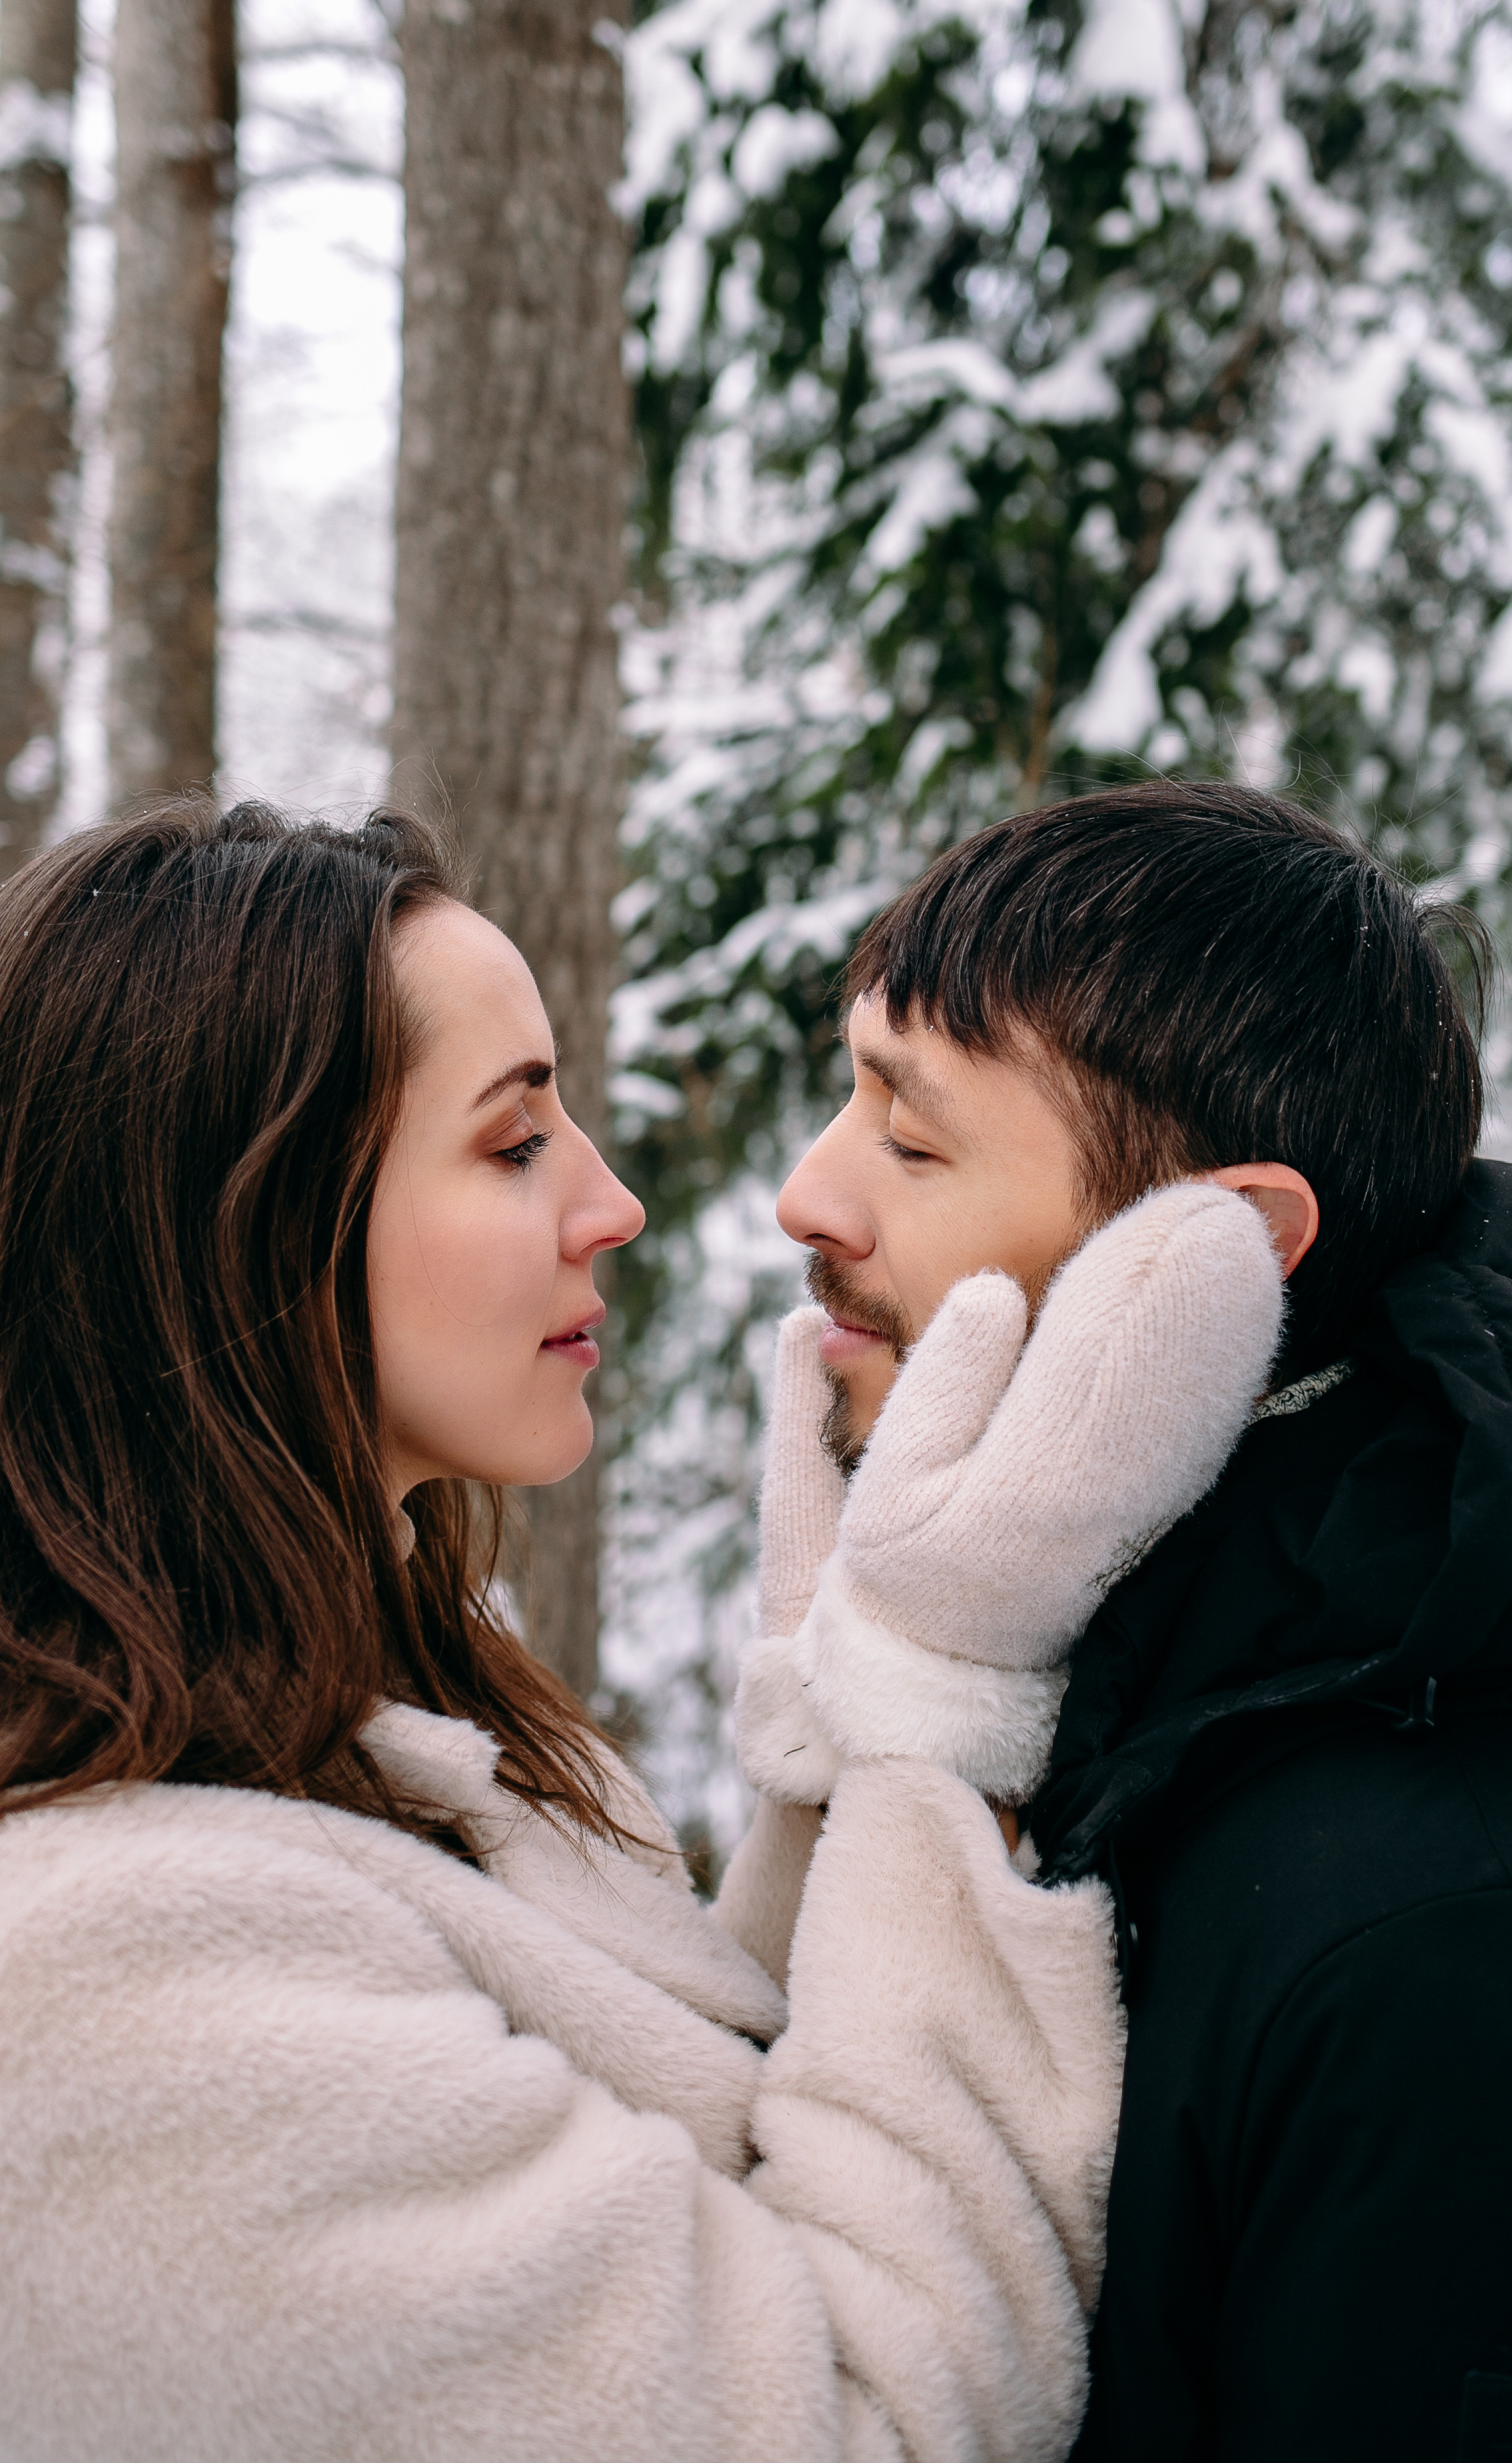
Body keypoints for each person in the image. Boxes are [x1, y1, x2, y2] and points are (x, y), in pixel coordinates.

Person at [0, 797, 1171, 2463]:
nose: (613, 1205)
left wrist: (836, 1734)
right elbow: (870, 2421)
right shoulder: (103, 1990)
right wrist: (942, 1714)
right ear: (234, 1221)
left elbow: (705, 2187)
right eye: (510, 1144)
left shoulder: (429, 1757)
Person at [735, 778, 1512, 2462]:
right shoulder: (1089, 1705)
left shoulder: (1415, 1927)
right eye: (843, 1100)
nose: (807, 1198)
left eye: (912, 1136)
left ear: (1216, 1249)